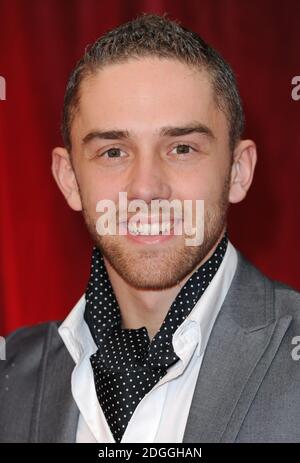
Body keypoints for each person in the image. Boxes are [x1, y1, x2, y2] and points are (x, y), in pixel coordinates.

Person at [1, 12, 300, 444]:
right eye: (113, 152)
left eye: (181, 148)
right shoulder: (9, 381)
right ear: (69, 179)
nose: (145, 188)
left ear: (238, 171)